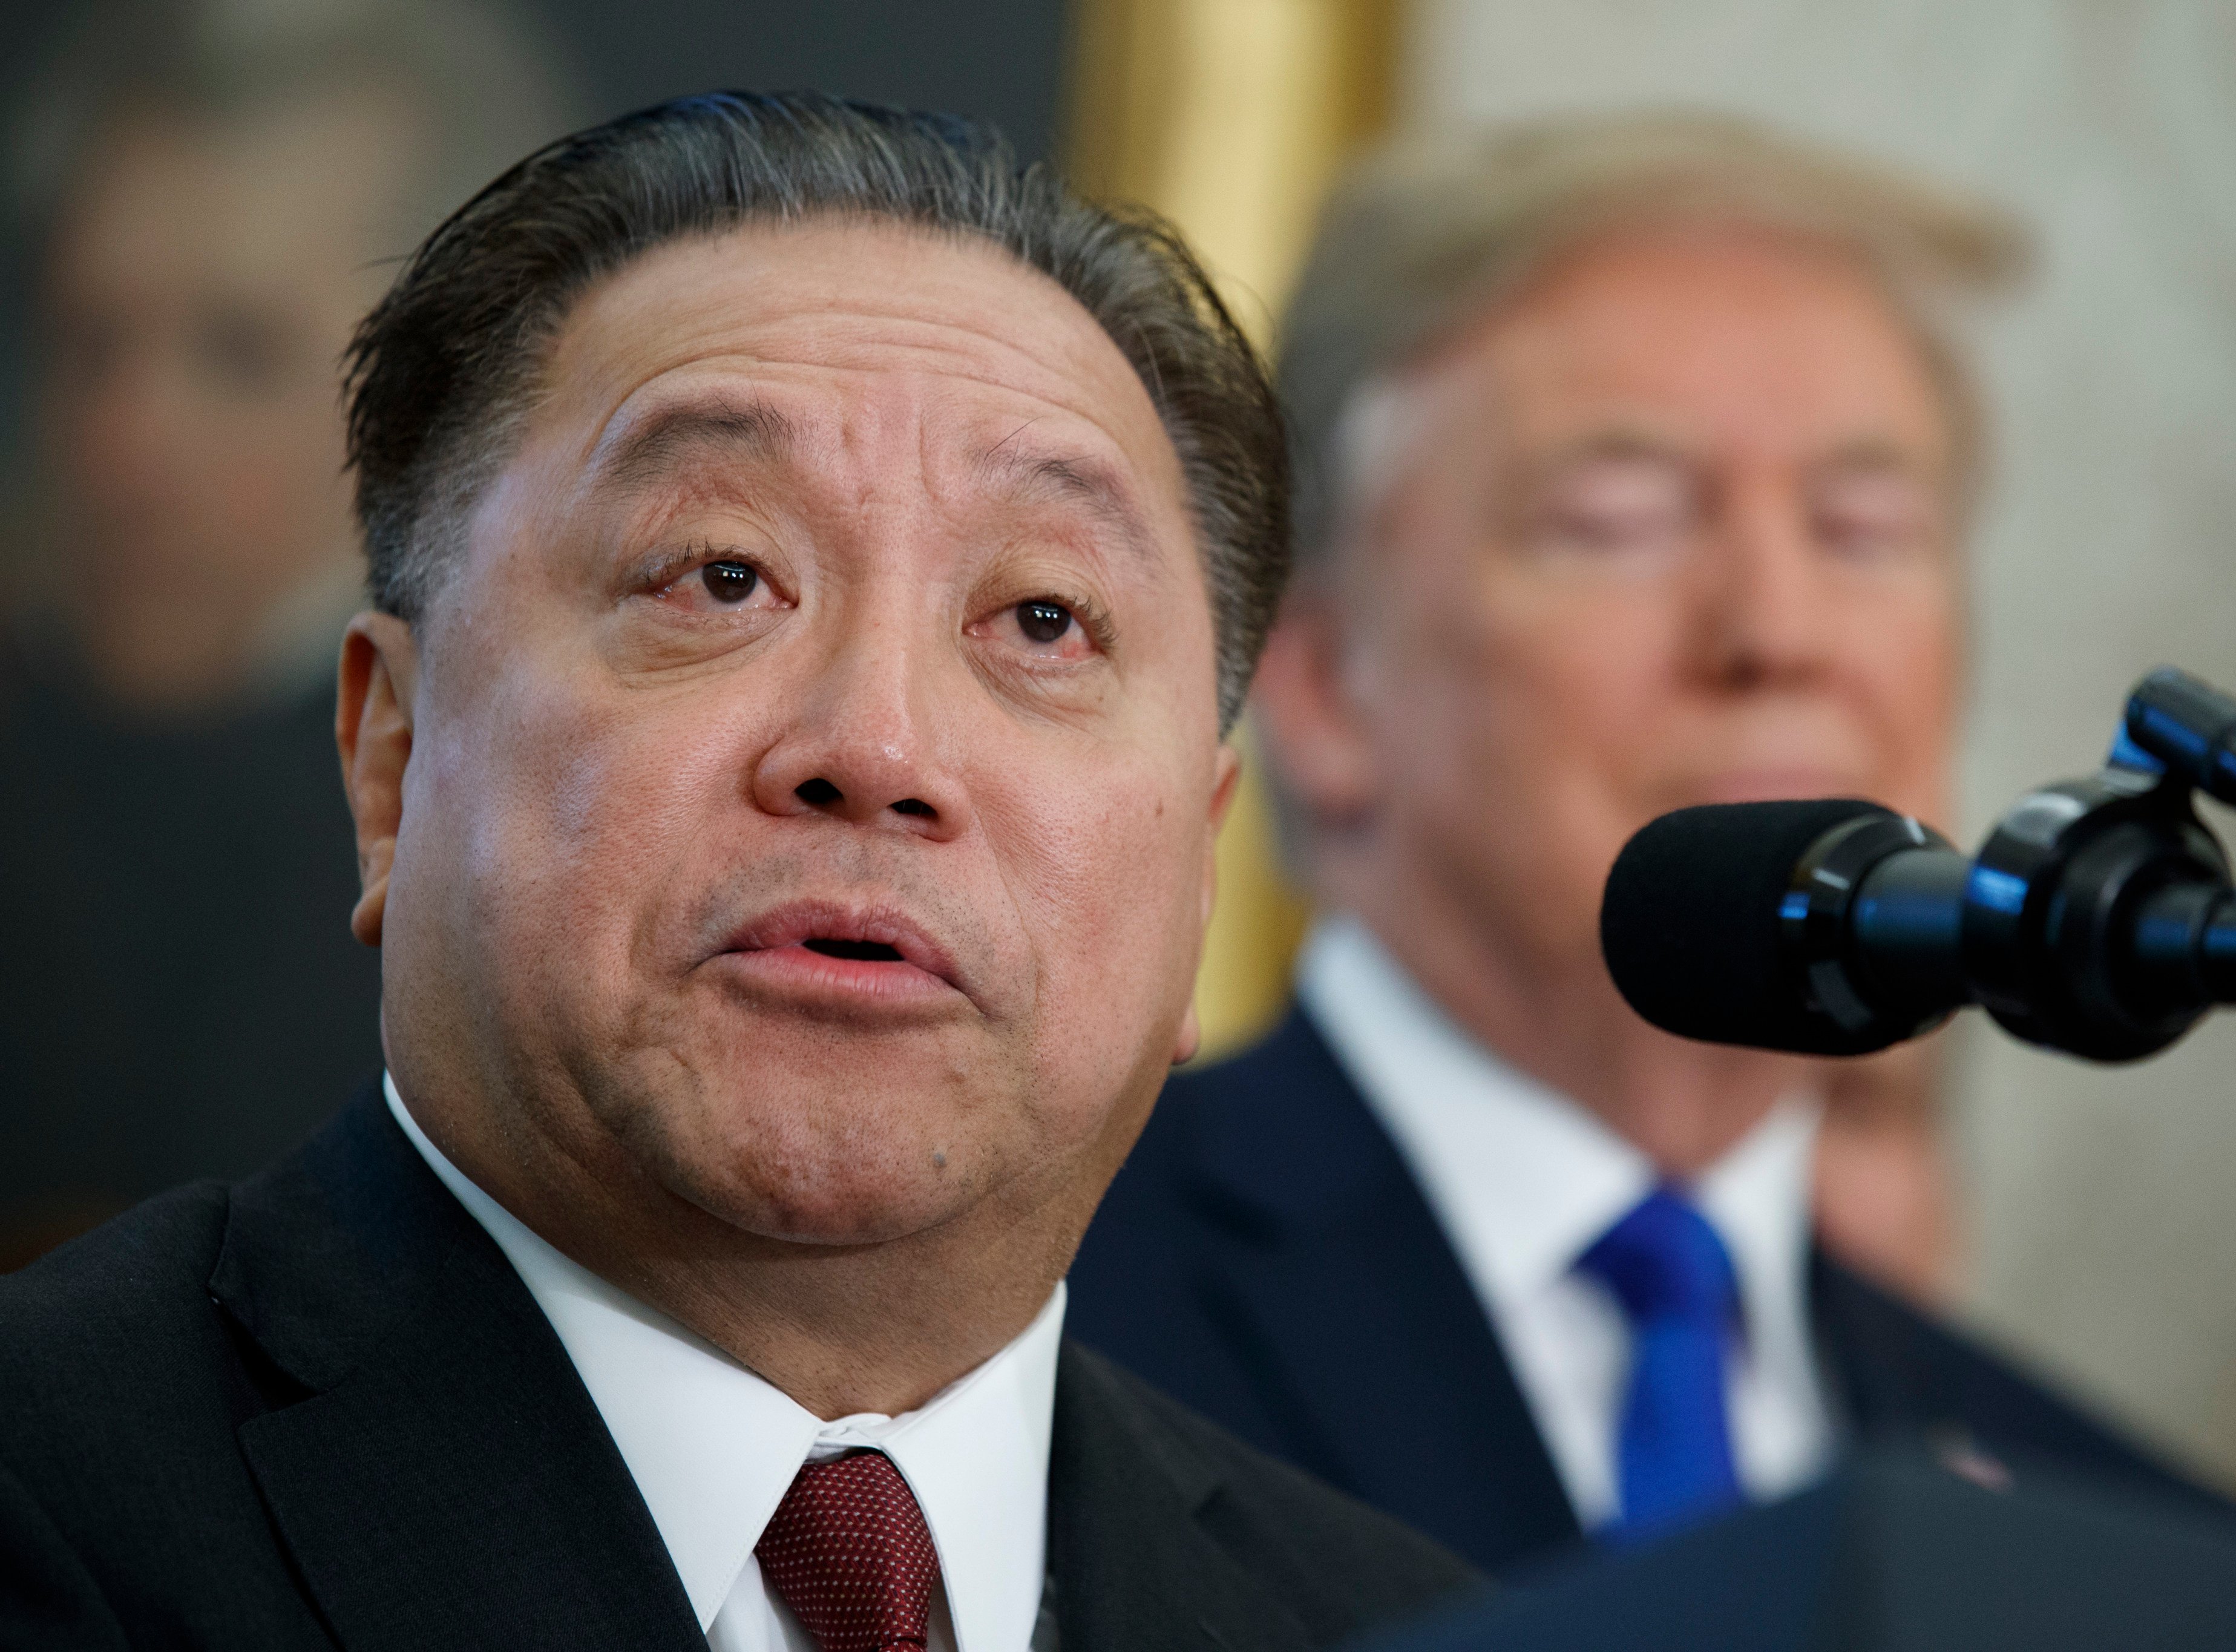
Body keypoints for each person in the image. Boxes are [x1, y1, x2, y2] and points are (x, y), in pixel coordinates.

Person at [0, 93, 1477, 1650]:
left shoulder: (1403, 1630)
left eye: (1041, 619)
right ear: (392, 758)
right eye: (720, 575)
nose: (879, 746)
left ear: (1199, 868)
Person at [1069, 113, 2235, 1573]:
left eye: (1861, 530)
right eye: (1619, 521)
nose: (1777, 630)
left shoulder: (2119, 1543)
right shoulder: (1011, 1326)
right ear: (1322, 686)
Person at [0, 0, 576, 1264]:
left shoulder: (512, 852)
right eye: (91, 345)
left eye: (237, 353)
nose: (123, 446)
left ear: (450, 403)